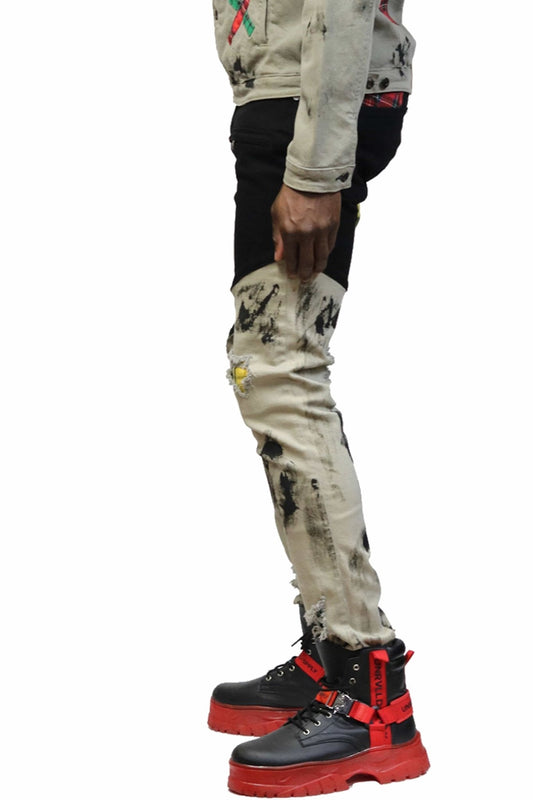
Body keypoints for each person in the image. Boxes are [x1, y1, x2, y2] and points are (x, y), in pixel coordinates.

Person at [207, 1, 430, 795]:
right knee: (274, 366)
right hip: (295, 96)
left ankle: (370, 691)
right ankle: (331, 656)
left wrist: (315, 169)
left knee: (279, 368)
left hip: (311, 104)